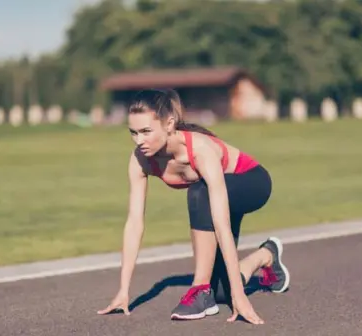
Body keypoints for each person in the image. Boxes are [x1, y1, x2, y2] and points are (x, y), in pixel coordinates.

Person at [97, 88, 290, 324]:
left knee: (199, 190)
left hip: (253, 183)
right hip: (213, 196)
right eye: (133, 132)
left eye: (146, 131)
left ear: (169, 124)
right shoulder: (140, 159)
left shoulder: (199, 150)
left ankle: (199, 289)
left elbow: (221, 224)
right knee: (222, 293)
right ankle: (266, 255)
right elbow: (135, 222)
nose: (139, 141)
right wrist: (123, 290)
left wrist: (240, 297)